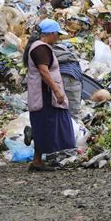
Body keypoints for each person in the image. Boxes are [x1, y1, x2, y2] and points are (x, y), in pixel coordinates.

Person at [22, 19, 75, 172]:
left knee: (45, 125)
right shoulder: (41, 49)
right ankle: (35, 144)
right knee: (47, 125)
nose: (57, 37)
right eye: (57, 34)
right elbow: (44, 71)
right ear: (51, 34)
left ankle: (37, 160)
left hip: (45, 94)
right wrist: (57, 91)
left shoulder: (40, 47)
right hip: (45, 95)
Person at [53, 43, 83, 119]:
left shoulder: (50, 54)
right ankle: (72, 128)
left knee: (57, 108)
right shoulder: (71, 56)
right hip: (72, 78)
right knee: (73, 112)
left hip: (56, 78)